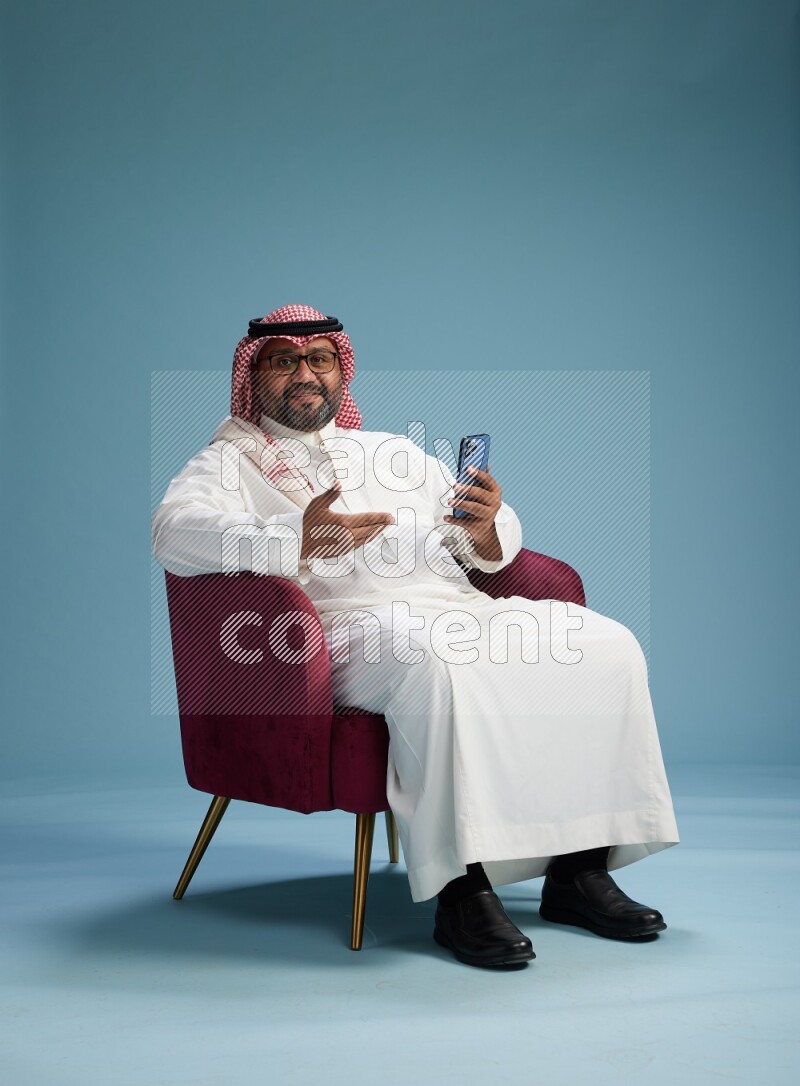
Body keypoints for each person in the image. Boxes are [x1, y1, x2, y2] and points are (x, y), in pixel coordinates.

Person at [152, 303, 680, 969]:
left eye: (319, 360)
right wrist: (293, 537)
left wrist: (487, 526)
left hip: (453, 604)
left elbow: (484, 534)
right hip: (338, 629)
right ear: (253, 376)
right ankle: (462, 891)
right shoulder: (226, 462)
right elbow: (172, 534)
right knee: (436, 662)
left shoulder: (393, 452)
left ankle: (579, 870)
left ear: (341, 371)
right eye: (284, 362)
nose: (305, 375)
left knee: (603, 646)